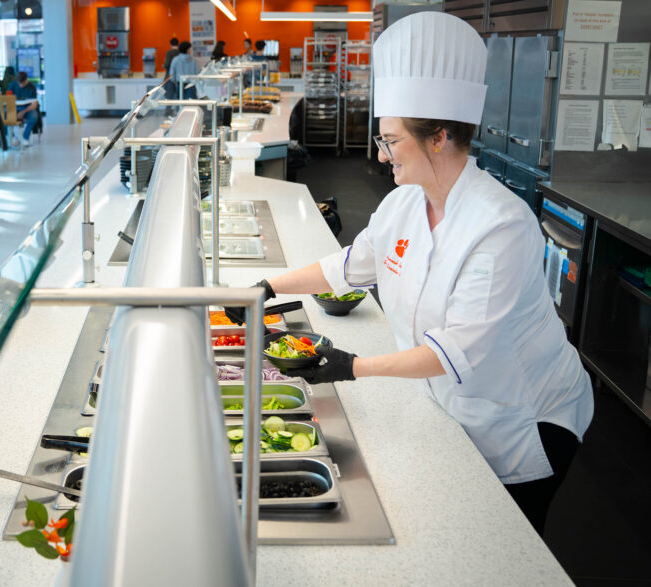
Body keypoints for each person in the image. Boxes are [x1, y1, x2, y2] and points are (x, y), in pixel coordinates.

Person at [224, 12, 593, 536]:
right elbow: (349, 266)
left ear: (439, 137)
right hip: (452, 400)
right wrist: (268, 288)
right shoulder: (404, 203)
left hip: (524, 419)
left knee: (499, 543)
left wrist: (351, 366)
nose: (381, 153)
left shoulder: (500, 227)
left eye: (391, 141)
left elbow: (456, 350)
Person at [9, 71, 39, 147]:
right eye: (19, 83)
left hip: (28, 109)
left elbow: (34, 104)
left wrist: (23, 112)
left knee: (34, 116)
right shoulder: (12, 85)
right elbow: (7, 100)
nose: (21, 85)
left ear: (26, 80)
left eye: (23, 83)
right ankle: (13, 137)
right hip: (14, 108)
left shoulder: (31, 87)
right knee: (6, 116)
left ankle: (25, 137)